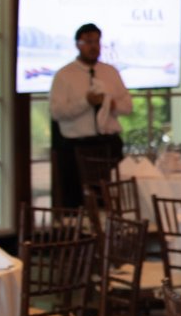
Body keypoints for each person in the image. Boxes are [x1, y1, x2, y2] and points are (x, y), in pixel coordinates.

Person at [49, 21, 129, 208]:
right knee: (78, 201)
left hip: (108, 145)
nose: (93, 47)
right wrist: (86, 102)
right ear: (78, 44)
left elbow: (127, 106)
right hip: (77, 147)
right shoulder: (64, 75)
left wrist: (110, 103)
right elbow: (56, 112)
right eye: (88, 42)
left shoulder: (110, 72)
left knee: (110, 199)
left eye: (97, 42)